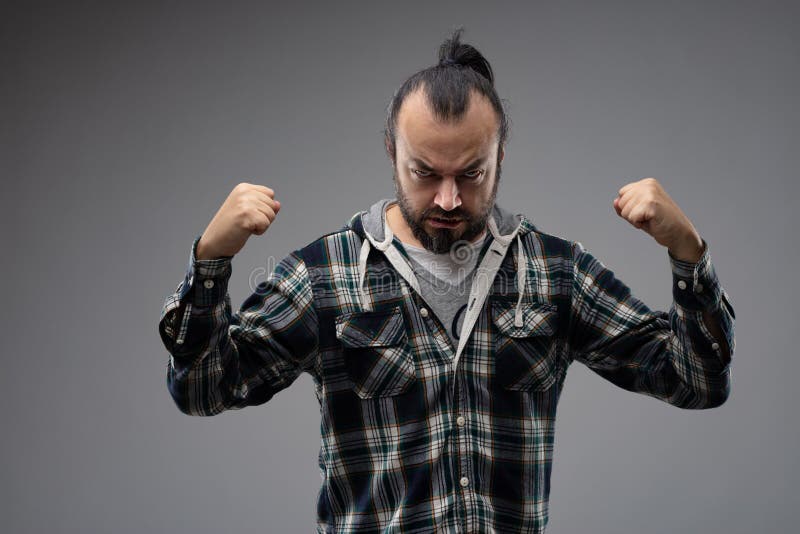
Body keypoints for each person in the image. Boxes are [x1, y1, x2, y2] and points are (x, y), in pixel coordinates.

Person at [158, 28, 735, 534]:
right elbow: (202, 391)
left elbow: (696, 382)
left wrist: (687, 254)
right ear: (392, 151)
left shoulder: (556, 274)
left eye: (472, 174)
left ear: (500, 156)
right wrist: (211, 262)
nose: (449, 199)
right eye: (425, 173)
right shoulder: (324, 277)